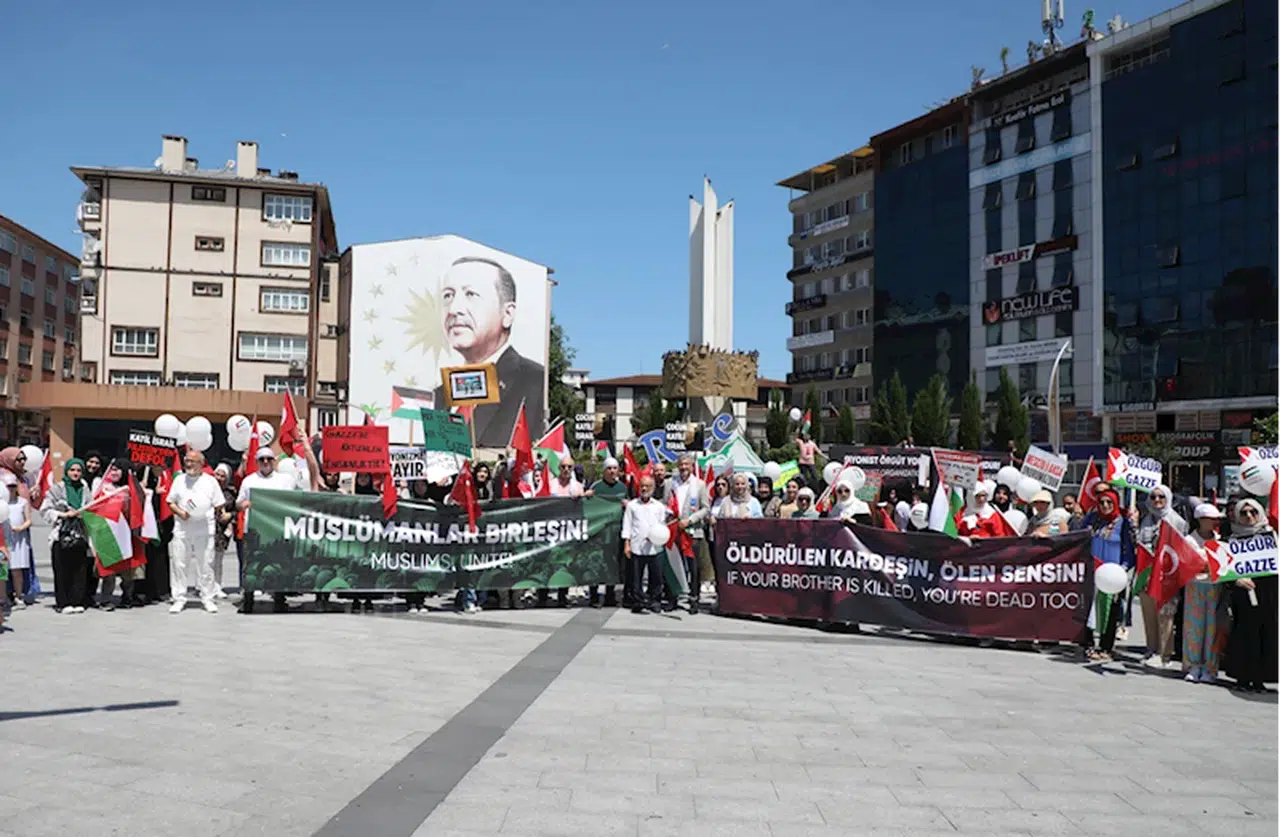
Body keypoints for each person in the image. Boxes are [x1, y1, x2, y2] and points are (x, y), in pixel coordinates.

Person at [430, 257, 545, 447]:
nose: (454, 309)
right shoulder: (440, 395)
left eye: (471, 294)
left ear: (507, 314)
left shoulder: (534, 382)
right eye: (448, 296)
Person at [1073, 486, 1135, 661]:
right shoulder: (1093, 519)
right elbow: (1079, 537)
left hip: (1112, 574)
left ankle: (1106, 647)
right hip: (1091, 571)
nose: (1106, 505)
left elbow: (1129, 550)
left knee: (1110, 610)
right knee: (1088, 607)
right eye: (1102, 502)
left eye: (1109, 502)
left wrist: (1122, 569)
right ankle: (1088, 644)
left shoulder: (1123, 523)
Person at [1222, 499, 1279, 693]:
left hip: (1268, 593)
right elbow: (1225, 569)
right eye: (1244, 513)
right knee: (1244, 634)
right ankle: (1243, 676)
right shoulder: (1233, 539)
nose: (1249, 517)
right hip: (1244, 594)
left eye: (1253, 512)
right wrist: (1235, 580)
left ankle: (1260, 678)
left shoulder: (1271, 536)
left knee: (1267, 633)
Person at [236, 448, 301, 613]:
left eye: (269, 459)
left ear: (275, 461)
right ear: (257, 462)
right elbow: (238, 503)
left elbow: (297, 500)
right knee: (250, 566)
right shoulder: (249, 481)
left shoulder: (285, 480)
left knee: (279, 565)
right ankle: (248, 600)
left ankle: (279, 599)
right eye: (262, 459)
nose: (266, 462)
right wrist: (243, 505)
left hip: (277, 531)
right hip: (254, 531)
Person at [166, 451, 224, 614]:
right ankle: (179, 598)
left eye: (193, 461)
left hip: (204, 528)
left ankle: (207, 598)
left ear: (202, 463)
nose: (189, 464)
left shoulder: (210, 481)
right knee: (179, 563)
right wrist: (180, 512)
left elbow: (219, 504)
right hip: (183, 528)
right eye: (186, 461)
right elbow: (170, 502)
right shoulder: (179, 480)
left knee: (206, 564)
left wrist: (222, 515)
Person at [1136, 485, 1188, 670]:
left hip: (1166, 576)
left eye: (1161, 497)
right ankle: (1151, 649)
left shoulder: (1177, 521)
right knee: (1149, 614)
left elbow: (1181, 547)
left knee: (1165, 615)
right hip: (1147, 574)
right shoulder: (1146, 519)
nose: (1157, 501)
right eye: (1153, 497)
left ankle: (1164, 654)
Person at [40, 458, 91, 614]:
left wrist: (85, 515)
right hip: (61, 534)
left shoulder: (85, 488)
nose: (76, 473)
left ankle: (77, 601)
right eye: (72, 470)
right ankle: (63, 603)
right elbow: (45, 510)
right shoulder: (57, 488)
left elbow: (92, 507)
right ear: (67, 471)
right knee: (62, 570)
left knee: (80, 570)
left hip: (80, 534)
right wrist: (64, 514)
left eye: (79, 471)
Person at [1183, 503, 1224, 684]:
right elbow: (1190, 564)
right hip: (1195, 587)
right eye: (1211, 519)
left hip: (1214, 586)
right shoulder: (1189, 541)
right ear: (1200, 520)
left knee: (1212, 628)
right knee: (1194, 627)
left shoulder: (1220, 539)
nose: (1214, 522)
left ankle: (1210, 667)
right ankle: (1193, 664)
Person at [669, 454, 710, 614]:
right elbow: (666, 503)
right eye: (681, 464)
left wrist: (691, 520)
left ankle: (694, 599)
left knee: (694, 568)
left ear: (692, 466)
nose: (683, 467)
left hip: (693, 532)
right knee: (674, 566)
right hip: (674, 531)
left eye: (686, 464)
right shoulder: (671, 483)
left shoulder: (699, 485)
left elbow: (706, 508)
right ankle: (674, 597)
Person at [622, 475, 667, 614]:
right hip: (637, 546)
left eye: (648, 486)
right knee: (636, 577)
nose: (644, 488)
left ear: (653, 488)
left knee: (656, 576)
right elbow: (627, 525)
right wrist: (627, 543)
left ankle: (654, 601)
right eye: (642, 485)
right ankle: (638, 601)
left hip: (655, 547)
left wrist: (657, 536)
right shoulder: (632, 505)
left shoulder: (659, 506)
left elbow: (662, 525)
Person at [587, 457, 628, 608]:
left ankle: (610, 595)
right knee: (597, 564)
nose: (612, 471)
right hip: (599, 533)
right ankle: (594, 596)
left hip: (616, 533)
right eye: (609, 468)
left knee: (613, 565)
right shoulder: (596, 487)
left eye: (614, 468)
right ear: (604, 471)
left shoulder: (622, 488)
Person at [3, 473, 33, 608]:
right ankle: (3, 597)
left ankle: (19, 595)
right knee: (3, 570)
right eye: (8, 486)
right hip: (3, 539)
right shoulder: (2, 503)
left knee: (17, 570)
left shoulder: (22, 502)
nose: (11, 489)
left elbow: (28, 521)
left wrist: (20, 528)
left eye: (13, 486)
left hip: (18, 539)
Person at [211, 464, 237, 599]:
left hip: (221, 532)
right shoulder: (206, 489)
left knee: (218, 560)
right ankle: (204, 587)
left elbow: (236, 509)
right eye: (217, 475)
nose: (219, 478)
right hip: (206, 528)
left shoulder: (230, 493)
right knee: (206, 560)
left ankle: (217, 586)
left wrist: (230, 516)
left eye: (223, 476)